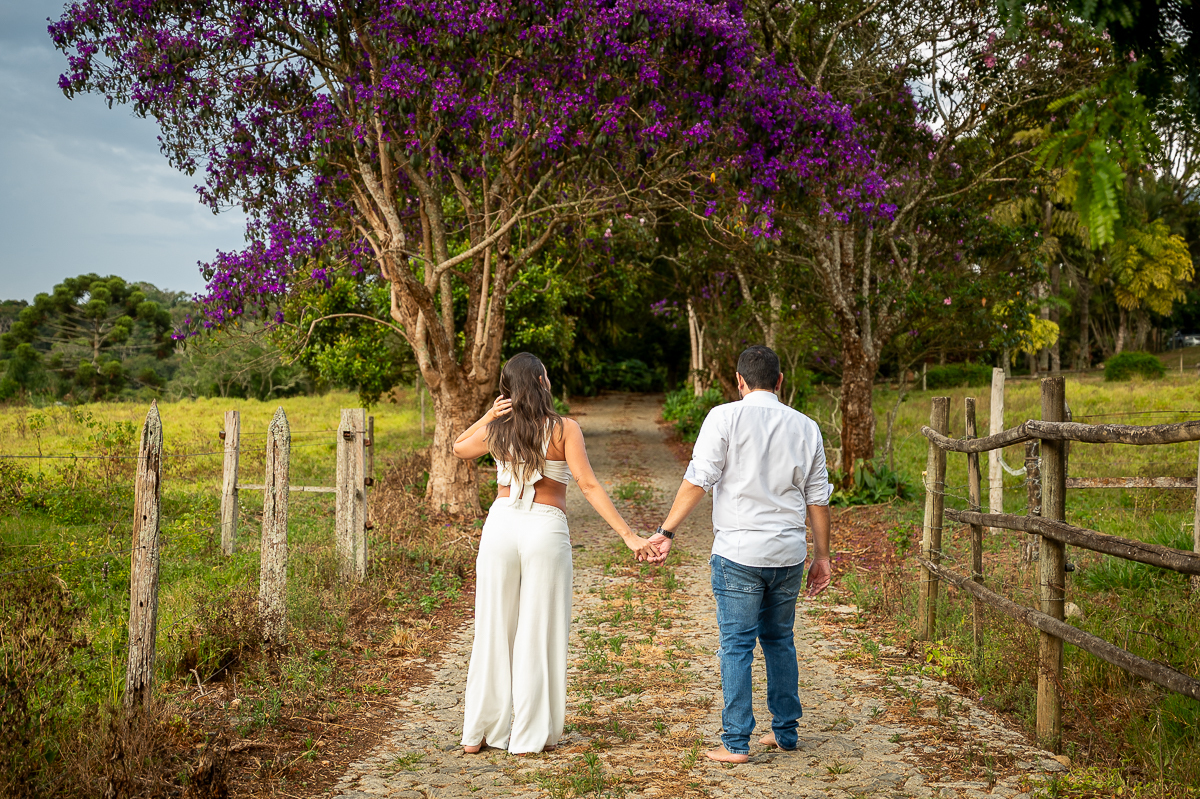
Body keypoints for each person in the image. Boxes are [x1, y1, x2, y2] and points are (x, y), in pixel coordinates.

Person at [452, 352, 658, 755]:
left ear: (507, 389)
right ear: (542, 382)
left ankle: (479, 733)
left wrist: (489, 415)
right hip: (544, 528)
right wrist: (629, 536)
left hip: (500, 526)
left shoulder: (498, 428)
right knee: (539, 630)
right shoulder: (564, 428)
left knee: (492, 629)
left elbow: (459, 448)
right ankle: (529, 737)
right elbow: (588, 485)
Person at [647, 344, 832, 764]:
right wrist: (822, 556)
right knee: (780, 640)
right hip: (788, 555)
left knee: (736, 646)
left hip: (738, 554)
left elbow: (699, 479)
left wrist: (666, 531)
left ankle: (735, 742)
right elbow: (818, 498)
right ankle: (786, 732)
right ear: (780, 381)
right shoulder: (806, 427)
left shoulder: (724, 417)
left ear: (740, 381)